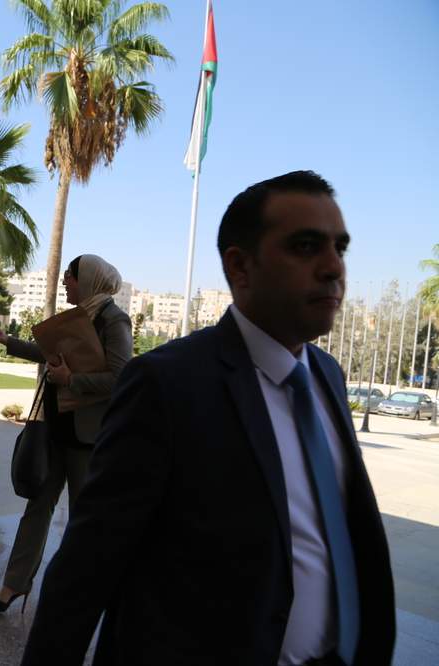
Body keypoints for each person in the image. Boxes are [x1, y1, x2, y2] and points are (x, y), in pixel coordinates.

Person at [22, 172, 395, 666]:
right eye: (306, 246)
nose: (333, 268)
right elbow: (88, 564)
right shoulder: (166, 383)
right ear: (239, 267)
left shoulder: (328, 375)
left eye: (339, 248)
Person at [0, 255, 132, 613]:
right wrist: (7, 341)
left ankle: (82, 591)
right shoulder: (78, 317)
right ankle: (12, 586)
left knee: (83, 517)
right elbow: (52, 355)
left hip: (88, 438)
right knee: (37, 507)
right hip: (55, 428)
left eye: (70, 277)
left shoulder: (112, 318)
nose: (65, 283)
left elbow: (122, 377)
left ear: (89, 280)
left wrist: (71, 380)